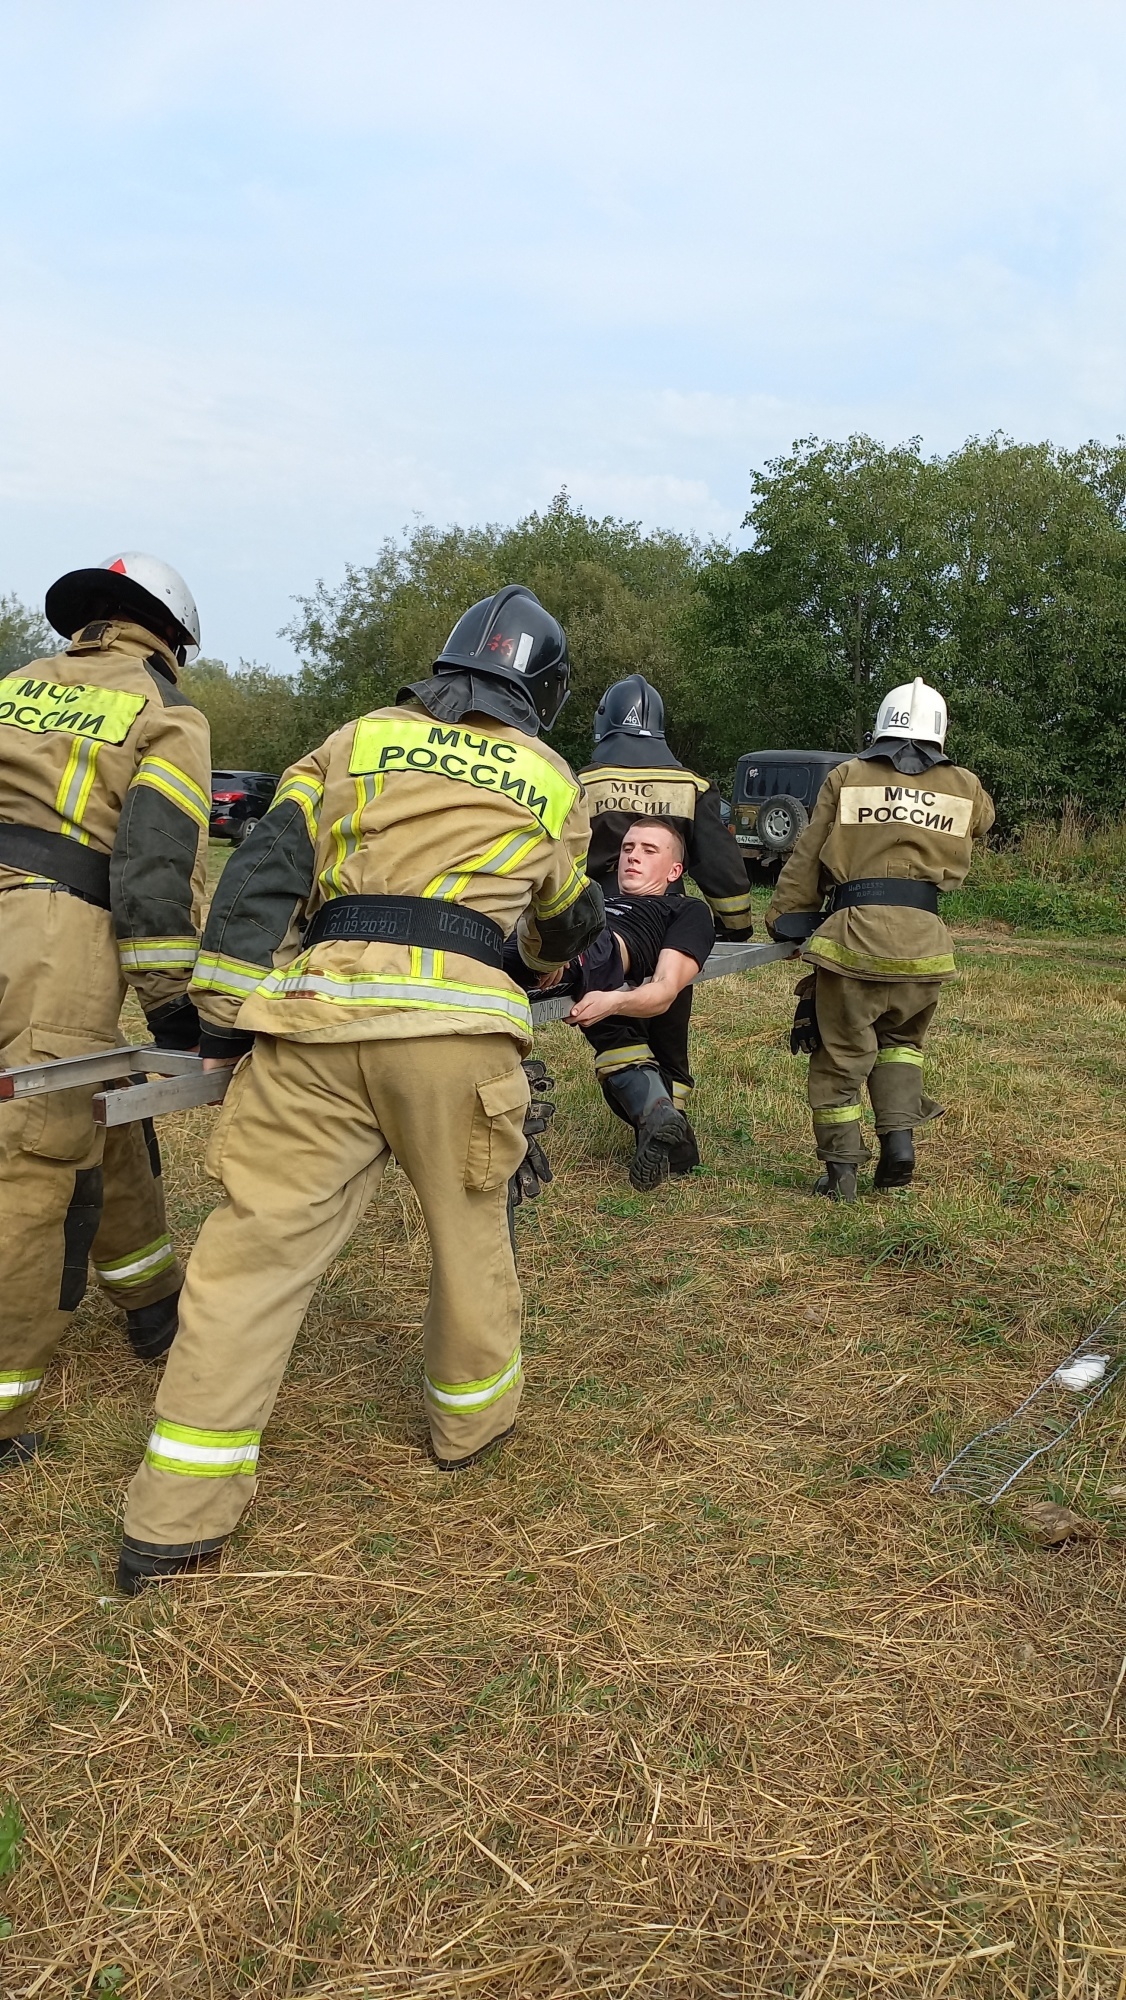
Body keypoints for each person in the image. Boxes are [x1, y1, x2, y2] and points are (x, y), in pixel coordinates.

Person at [115, 584, 604, 1593]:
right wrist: (549, 945)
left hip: (317, 1025)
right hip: (458, 1043)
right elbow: (558, 923)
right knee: (471, 1240)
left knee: (250, 1260)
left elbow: (264, 873)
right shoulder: (553, 776)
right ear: (537, 693)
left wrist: (219, 1017)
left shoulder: (355, 739)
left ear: (445, 666)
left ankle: (175, 1512)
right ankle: (470, 1425)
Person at [0, 554, 210, 1465]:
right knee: (30, 1161)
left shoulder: (14, 687)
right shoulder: (165, 714)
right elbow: (154, 873)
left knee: (97, 1096)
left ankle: (153, 1303)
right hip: (55, 936)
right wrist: (174, 1008)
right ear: (169, 639)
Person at [764, 678, 994, 1200]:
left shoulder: (848, 775)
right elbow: (983, 821)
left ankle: (840, 1171)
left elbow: (809, 851)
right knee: (902, 1046)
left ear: (881, 726)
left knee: (841, 1055)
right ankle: (900, 1145)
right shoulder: (965, 784)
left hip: (855, 941)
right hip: (924, 946)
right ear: (938, 732)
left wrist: (786, 915)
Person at [514, 819, 714, 1187]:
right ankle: (662, 1119)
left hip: (592, 949)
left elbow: (667, 988)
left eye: (648, 850)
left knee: (560, 942)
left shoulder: (685, 910)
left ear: (674, 871)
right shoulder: (600, 898)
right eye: (627, 848)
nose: (633, 857)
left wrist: (611, 1000)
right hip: (548, 942)